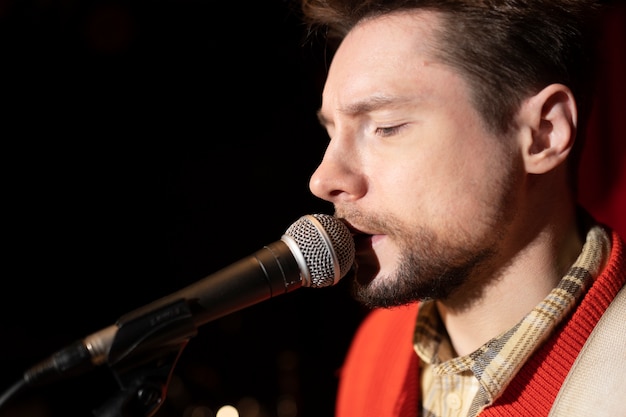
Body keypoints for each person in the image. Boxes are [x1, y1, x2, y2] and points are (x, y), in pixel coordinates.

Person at [298, 0, 626, 416]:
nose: (323, 179)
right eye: (330, 131)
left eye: (386, 126)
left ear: (544, 133)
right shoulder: (376, 348)